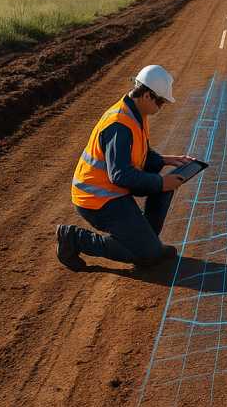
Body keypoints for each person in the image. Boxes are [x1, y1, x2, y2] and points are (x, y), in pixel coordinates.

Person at [55, 65, 194, 271]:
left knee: (164, 187)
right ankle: (74, 239)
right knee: (148, 253)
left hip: (112, 193)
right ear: (147, 95)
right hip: (97, 199)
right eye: (162, 102)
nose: (161, 106)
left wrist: (165, 160)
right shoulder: (119, 124)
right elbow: (120, 175)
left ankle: (147, 242)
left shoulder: (135, 113)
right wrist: (161, 182)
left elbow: (139, 155)